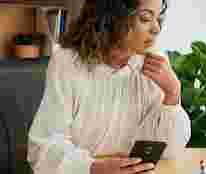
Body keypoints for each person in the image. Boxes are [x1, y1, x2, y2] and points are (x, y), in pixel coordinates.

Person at [27, 0, 191, 174]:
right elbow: (43, 147)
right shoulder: (68, 62)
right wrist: (94, 167)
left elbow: (167, 150)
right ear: (113, 17)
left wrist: (172, 93)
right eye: (145, 18)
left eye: (159, 19)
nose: (156, 28)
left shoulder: (153, 64)